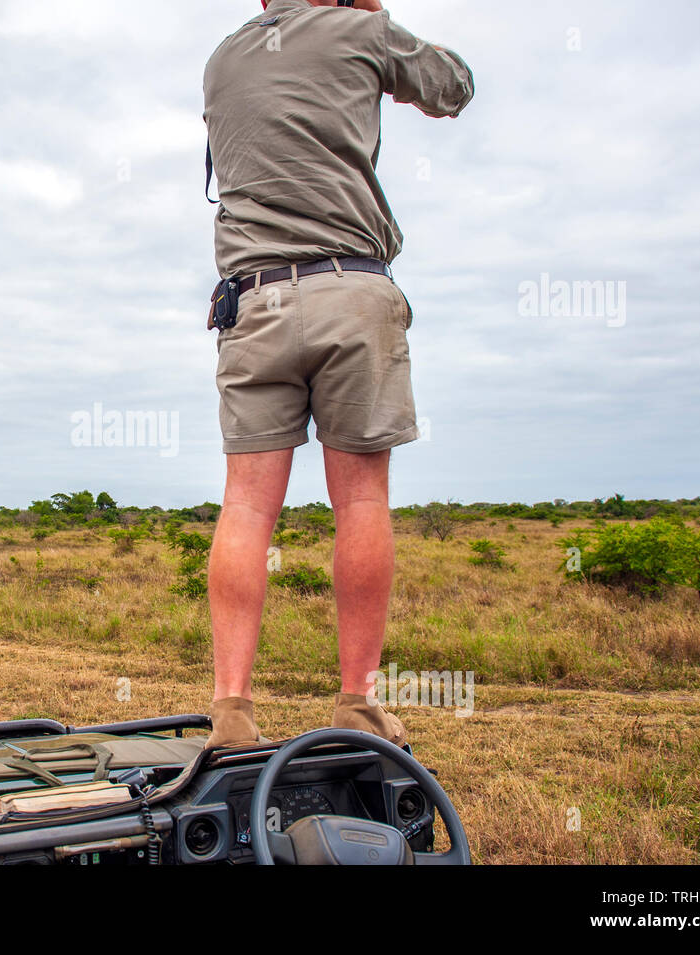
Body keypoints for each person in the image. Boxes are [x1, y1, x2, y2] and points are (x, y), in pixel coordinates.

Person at [201, 0, 474, 747]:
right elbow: (453, 86)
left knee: (248, 509)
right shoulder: (363, 30)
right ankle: (357, 701)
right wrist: (376, 17)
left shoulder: (223, 57)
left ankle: (231, 710)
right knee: (360, 502)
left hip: (252, 300)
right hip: (351, 288)